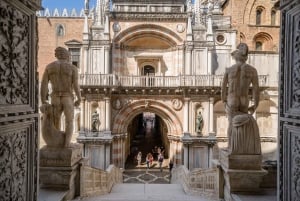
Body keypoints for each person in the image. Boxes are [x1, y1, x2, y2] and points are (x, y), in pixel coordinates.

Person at [221, 43, 261, 154]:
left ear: (236, 57)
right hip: (244, 100)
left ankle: (231, 147)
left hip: (232, 99)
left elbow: (223, 88)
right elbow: (256, 89)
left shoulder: (229, 70)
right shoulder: (252, 70)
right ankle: (241, 148)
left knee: (231, 124)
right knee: (242, 124)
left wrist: (224, 100)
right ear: (246, 57)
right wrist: (255, 104)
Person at [40, 47, 81, 148]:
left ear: (56, 55)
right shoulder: (72, 68)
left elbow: (44, 84)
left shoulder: (49, 67)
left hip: (55, 97)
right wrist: (79, 98)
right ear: (67, 55)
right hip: (67, 97)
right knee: (69, 121)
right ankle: (66, 144)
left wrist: (43, 99)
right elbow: (76, 85)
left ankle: (56, 144)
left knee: (56, 121)